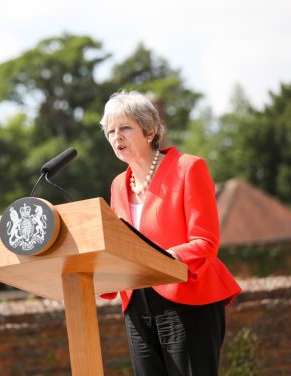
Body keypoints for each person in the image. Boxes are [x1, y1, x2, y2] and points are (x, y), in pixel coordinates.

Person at [99, 91, 241, 375]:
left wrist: (162, 259)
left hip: (187, 295)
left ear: (149, 130)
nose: (117, 137)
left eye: (126, 128)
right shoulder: (117, 185)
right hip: (137, 304)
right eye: (111, 131)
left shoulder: (188, 168)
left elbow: (206, 241)